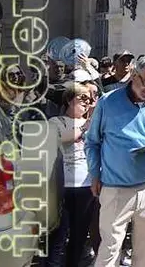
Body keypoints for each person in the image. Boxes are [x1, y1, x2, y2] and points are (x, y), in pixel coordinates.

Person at [84, 55, 145, 267]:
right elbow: (92, 142)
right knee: (109, 249)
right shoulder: (107, 102)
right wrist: (95, 175)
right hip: (115, 188)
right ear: (134, 76)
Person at [46, 83, 97, 267]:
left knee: (79, 236)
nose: (86, 102)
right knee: (58, 237)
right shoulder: (56, 121)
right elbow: (59, 138)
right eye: (81, 98)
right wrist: (85, 127)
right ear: (69, 99)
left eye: (89, 99)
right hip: (62, 186)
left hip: (86, 185)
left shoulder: (92, 122)